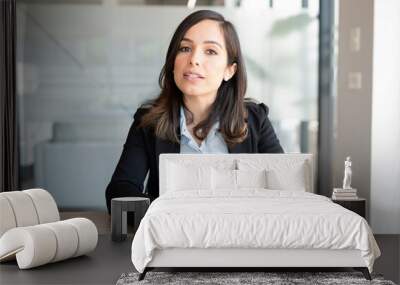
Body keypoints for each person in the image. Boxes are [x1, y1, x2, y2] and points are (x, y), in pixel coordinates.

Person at [105, 10, 283, 214]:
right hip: (171, 238)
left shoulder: (254, 119)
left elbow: (284, 189)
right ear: (173, 62)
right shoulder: (148, 121)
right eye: (185, 48)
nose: (194, 59)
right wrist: (169, 217)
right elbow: (120, 192)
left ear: (230, 70)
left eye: (210, 51)